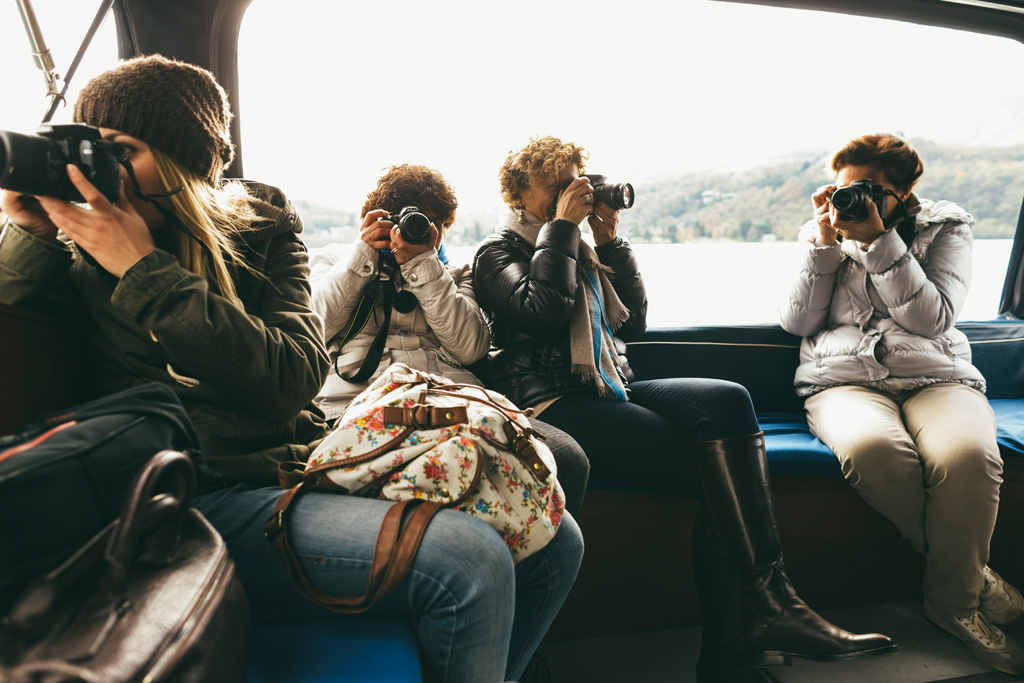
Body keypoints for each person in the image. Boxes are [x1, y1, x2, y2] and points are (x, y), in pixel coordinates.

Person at [0, 56, 580, 683]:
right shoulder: (70, 253)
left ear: (179, 162)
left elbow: (293, 376)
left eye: (123, 150)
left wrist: (145, 269)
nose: (102, 171)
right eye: (93, 150)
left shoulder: (264, 230)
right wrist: (28, 231)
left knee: (558, 541)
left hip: (296, 462)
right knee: (467, 562)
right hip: (185, 495)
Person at [472, 134, 898, 683]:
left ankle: (770, 609)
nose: (570, 190)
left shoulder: (583, 248)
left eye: (575, 177)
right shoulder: (496, 252)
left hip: (610, 385)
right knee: (720, 476)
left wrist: (611, 242)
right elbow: (543, 312)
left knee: (727, 399)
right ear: (518, 193)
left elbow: (636, 323)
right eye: (555, 184)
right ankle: (743, 642)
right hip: (548, 404)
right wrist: (561, 227)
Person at [779, 133, 1024, 675]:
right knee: (873, 452)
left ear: (904, 191)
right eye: (844, 189)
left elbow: (932, 319)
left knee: (967, 459)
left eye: (869, 189)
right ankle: (971, 578)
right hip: (841, 380)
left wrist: (879, 242)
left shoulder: (946, 228)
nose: (853, 200)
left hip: (936, 374)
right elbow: (798, 323)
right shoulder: (821, 233)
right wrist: (823, 248)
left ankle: (951, 606)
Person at [309, 163, 590, 516]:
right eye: (410, 219)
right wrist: (362, 260)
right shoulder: (336, 259)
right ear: (376, 218)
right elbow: (311, 330)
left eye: (434, 224)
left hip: (452, 405)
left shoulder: (456, 273)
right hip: (354, 404)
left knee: (567, 457)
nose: (421, 231)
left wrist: (424, 266)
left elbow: (471, 346)